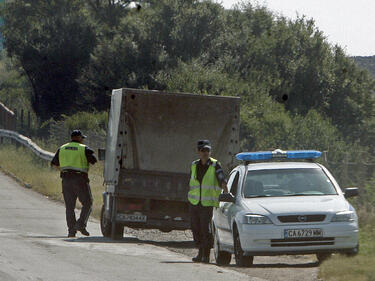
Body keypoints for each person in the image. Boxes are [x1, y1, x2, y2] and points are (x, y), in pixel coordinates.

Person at [51, 130, 97, 238]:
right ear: (79, 138)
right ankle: (80, 224)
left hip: (66, 180)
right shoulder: (84, 148)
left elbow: (53, 163)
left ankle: (71, 231)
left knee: (69, 207)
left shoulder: (62, 148)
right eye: (82, 138)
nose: (83, 140)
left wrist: (62, 170)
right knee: (88, 203)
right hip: (80, 180)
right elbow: (94, 161)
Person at [188, 140, 228, 263]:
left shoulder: (215, 165)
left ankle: (206, 255)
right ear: (198, 151)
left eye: (208, 150)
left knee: (205, 229)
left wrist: (225, 188)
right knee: (196, 228)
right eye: (203, 150)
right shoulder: (194, 165)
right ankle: (200, 253)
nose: (206, 153)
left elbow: (221, 177)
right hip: (194, 203)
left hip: (208, 204)